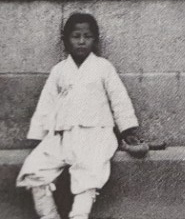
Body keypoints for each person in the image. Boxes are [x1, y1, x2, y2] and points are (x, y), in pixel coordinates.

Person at [17, 13, 147, 219]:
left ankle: (79, 215)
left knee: (89, 173)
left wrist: (128, 130)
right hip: (62, 136)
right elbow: (46, 104)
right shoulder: (59, 71)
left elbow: (119, 99)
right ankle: (49, 215)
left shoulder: (103, 68)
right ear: (66, 40)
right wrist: (39, 136)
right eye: (75, 36)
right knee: (34, 170)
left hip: (95, 135)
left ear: (95, 40)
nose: (81, 41)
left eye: (87, 36)